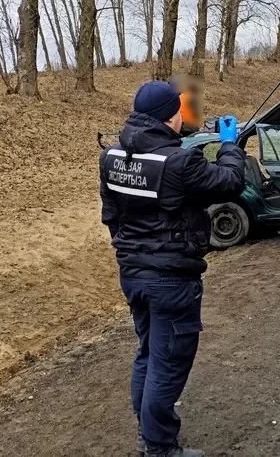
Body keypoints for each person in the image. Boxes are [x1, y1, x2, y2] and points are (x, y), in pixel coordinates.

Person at [100, 81, 246, 457]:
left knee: (148, 353)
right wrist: (230, 144)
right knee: (168, 364)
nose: (184, 115)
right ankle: (160, 449)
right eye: (180, 110)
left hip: (132, 273)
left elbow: (111, 216)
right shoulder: (181, 162)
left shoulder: (112, 157)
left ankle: (148, 435)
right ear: (169, 116)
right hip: (171, 279)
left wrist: (134, 250)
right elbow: (229, 183)